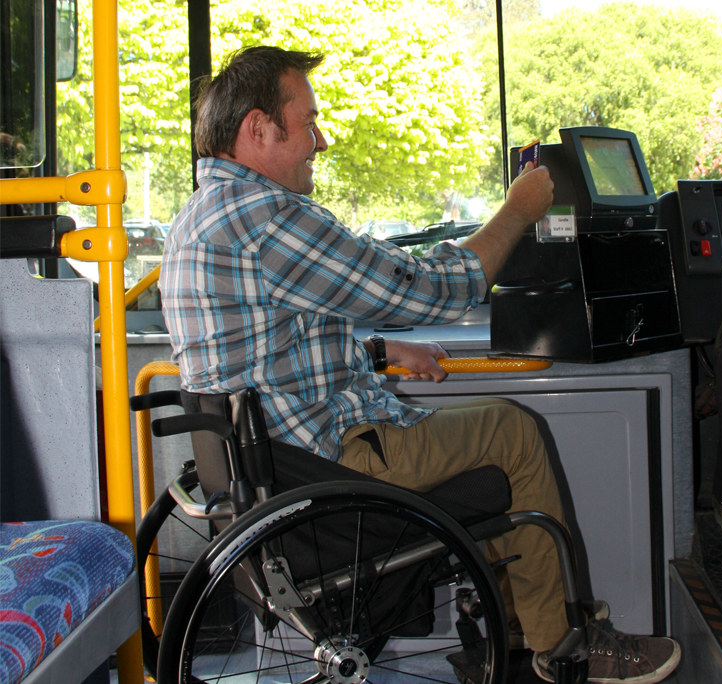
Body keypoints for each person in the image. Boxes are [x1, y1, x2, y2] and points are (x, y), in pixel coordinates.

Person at [160, 45, 680, 683]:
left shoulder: (197, 216)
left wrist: (379, 352)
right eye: (310, 123)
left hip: (271, 463)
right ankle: (562, 642)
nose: (320, 141)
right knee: (512, 432)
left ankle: (516, 617)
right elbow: (427, 290)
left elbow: (273, 354)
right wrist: (517, 211)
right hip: (324, 463)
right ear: (258, 129)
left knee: (476, 438)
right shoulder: (263, 217)